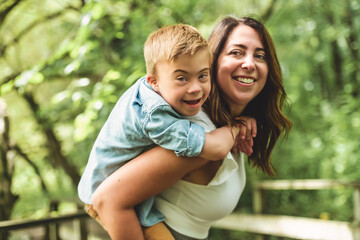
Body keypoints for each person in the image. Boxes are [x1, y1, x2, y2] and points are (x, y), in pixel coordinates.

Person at [91, 16, 292, 240]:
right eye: (236, 52)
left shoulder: (224, 124)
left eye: (260, 55)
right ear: (212, 62)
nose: (249, 63)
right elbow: (107, 199)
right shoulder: (195, 135)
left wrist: (236, 126)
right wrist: (234, 129)